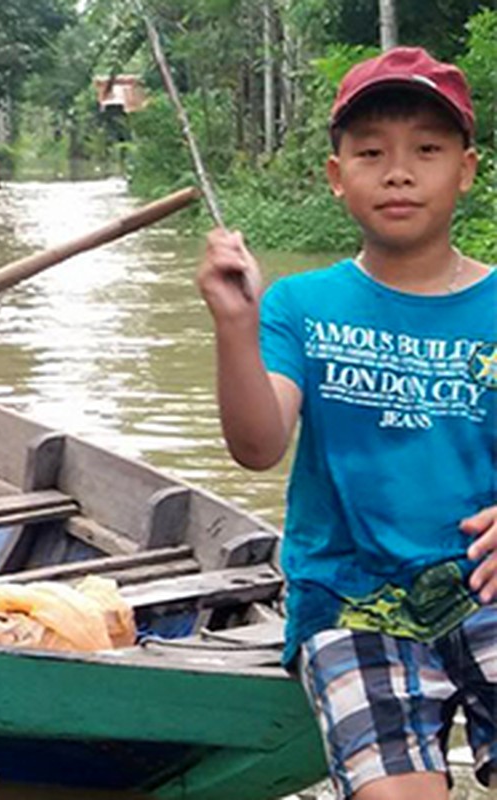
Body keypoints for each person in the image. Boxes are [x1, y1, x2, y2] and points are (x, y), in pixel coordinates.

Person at [197, 47, 496, 800]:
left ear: (466, 169)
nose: (398, 172)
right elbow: (257, 446)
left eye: (426, 150)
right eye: (370, 153)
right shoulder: (299, 306)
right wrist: (235, 324)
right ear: (336, 177)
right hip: (350, 604)